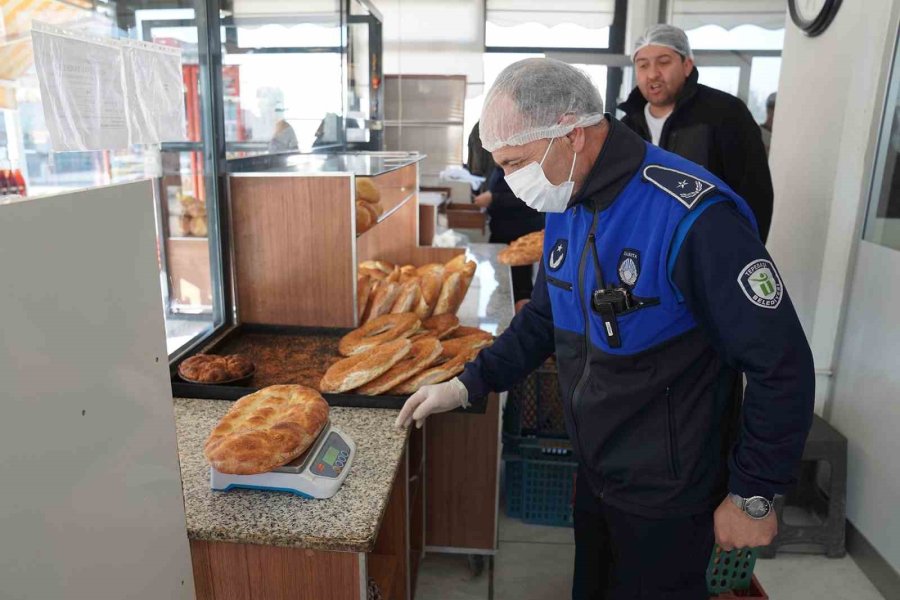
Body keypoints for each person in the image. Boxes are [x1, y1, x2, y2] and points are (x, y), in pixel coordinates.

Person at [395, 58, 814, 600]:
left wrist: (752, 495)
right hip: (597, 471)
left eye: (516, 162)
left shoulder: (693, 215)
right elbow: (546, 317)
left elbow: (781, 363)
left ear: (571, 133)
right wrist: (467, 383)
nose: (511, 181)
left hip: (672, 491)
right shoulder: (567, 197)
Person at [619, 24, 775, 242]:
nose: (653, 74)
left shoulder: (724, 114)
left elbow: (755, 192)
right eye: (643, 65)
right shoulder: (626, 129)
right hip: (645, 251)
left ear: (687, 65)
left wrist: (746, 255)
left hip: (709, 247)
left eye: (664, 62)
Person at [473, 166, 545, 301]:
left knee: (519, 287)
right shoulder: (499, 167)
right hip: (501, 232)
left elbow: (529, 198)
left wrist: (493, 198)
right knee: (501, 281)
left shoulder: (526, 166)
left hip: (521, 235)